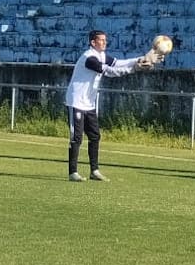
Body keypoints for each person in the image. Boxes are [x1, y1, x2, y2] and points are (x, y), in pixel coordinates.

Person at [65, 29, 154, 182]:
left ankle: (94, 170)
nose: (105, 42)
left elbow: (118, 62)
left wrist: (142, 58)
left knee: (95, 136)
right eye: (101, 40)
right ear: (93, 42)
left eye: (105, 39)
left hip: (89, 103)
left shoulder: (101, 55)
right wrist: (135, 68)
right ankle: (73, 172)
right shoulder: (89, 58)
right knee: (77, 138)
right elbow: (110, 71)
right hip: (76, 102)